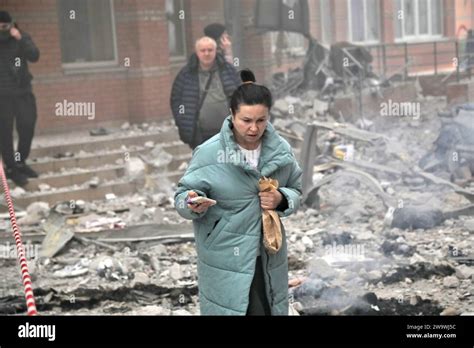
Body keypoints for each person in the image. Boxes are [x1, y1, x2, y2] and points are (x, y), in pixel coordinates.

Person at [174, 69, 302, 315]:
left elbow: (296, 189)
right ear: (232, 115)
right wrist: (191, 203)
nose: (254, 128)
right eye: (246, 120)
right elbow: (183, 195)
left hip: (267, 254)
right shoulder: (209, 153)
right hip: (225, 254)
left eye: (261, 120)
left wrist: (281, 198)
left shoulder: (280, 150)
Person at [170, 36, 240, 149]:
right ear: (197, 52)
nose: (206, 53)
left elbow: (241, 95)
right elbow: (175, 100)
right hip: (199, 134)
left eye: (210, 50)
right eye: (203, 50)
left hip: (228, 131)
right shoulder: (186, 74)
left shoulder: (227, 70)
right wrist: (182, 122)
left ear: (215, 51)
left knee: (227, 164)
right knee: (205, 165)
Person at [0, 11, 40, 187]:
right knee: (5, 132)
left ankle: (20, 161)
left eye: (6, 26)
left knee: (27, 125)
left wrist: (20, 38)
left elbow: (34, 56)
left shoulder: (21, 37)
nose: (4, 30)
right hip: (2, 95)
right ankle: (11, 167)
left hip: (22, 92)